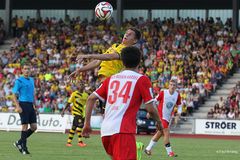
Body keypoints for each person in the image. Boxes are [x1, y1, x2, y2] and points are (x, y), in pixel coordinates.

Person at [82, 46, 162, 160]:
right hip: (122, 130)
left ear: (122, 61)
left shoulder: (111, 79)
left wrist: (87, 124)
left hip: (105, 131)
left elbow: (90, 99)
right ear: (139, 61)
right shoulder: (142, 79)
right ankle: (136, 148)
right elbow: (150, 108)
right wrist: (158, 122)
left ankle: (136, 148)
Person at [69, 27, 141, 80]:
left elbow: (110, 57)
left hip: (112, 79)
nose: (126, 35)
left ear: (135, 40)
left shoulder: (128, 50)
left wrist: (88, 55)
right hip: (104, 80)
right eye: (126, 33)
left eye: (130, 34)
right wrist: (80, 70)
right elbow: (97, 62)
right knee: (92, 99)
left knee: (91, 99)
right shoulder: (115, 46)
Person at [144, 79, 181, 157]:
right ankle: (170, 152)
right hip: (160, 116)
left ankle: (148, 149)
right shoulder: (163, 92)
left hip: (167, 118)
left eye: (174, 85)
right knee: (166, 132)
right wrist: (150, 112)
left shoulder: (177, 95)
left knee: (160, 133)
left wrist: (179, 112)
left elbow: (179, 104)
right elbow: (154, 101)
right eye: (171, 84)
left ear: (176, 86)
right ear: (168, 85)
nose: (172, 86)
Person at [12, 63, 37, 155]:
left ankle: (19, 142)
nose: (27, 70)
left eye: (28, 69)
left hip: (30, 105)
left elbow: (32, 93)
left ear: (30, 70)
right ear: (22, 70)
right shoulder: (19, 81)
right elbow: (14, 94)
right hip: (23, 104)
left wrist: (34, 104)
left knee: (34, 127)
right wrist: (17, 106)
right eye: (25, 68)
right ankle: (24, 148)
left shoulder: (31, 80)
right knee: (25, 126)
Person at [61, 82, 89, 147]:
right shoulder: (74, 94)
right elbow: (69, 102)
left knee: (74, 127)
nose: (82, 85)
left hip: (83, 113)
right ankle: (80, 142)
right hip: (76, 112)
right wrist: (63, 110)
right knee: (80, 126)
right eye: (80, 84)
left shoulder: (86, 95)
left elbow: (88, 104)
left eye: (83, 84)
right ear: (78, 87)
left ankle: (69, 142)